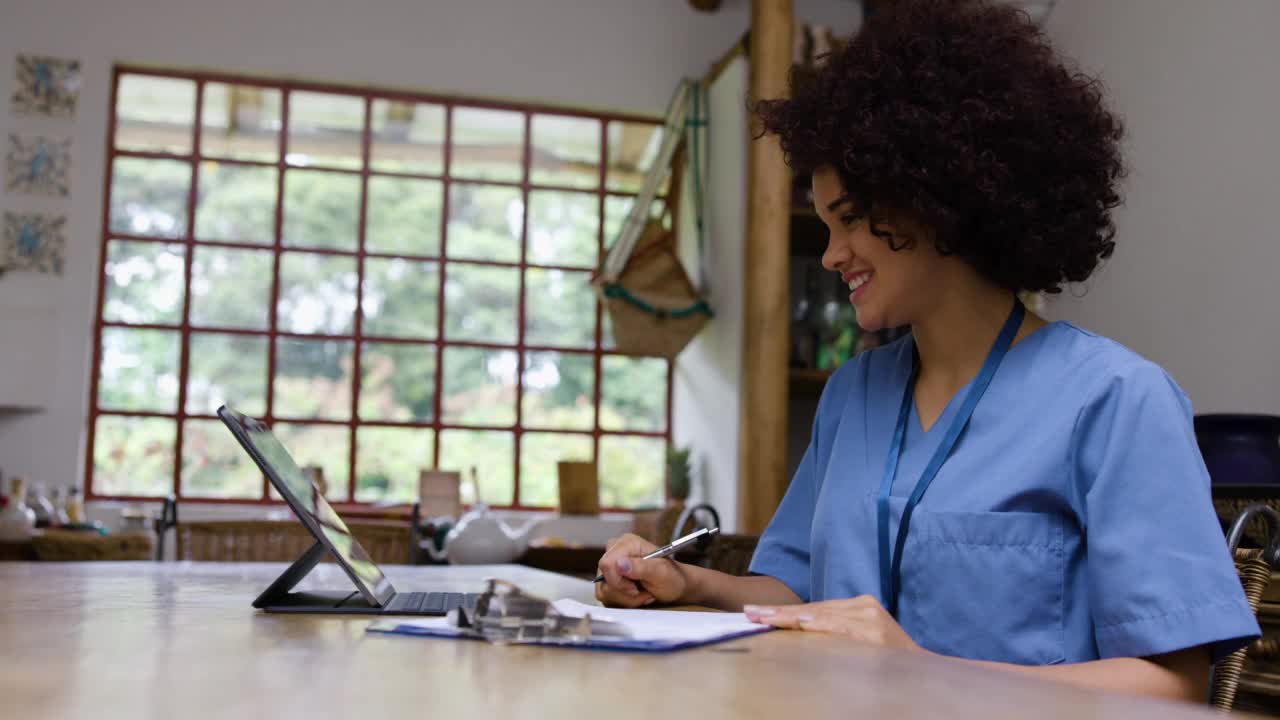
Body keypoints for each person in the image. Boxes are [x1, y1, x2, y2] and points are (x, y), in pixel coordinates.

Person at [595, 0, 1259, 702]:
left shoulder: (1118, 401)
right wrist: (687, 582)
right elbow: (794, 595)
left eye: (848, 219)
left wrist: (923, 670)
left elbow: (1172, 687)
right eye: (823, 224)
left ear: (940, 197)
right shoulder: (852, 395)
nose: (830, 255)